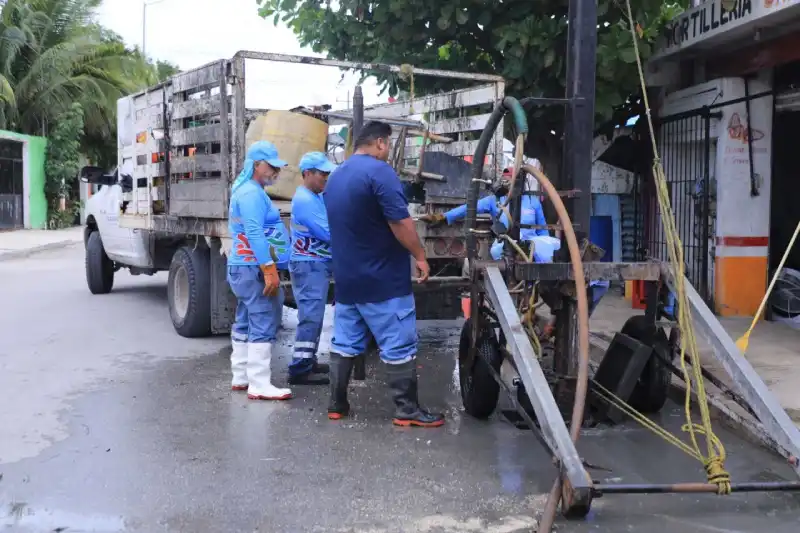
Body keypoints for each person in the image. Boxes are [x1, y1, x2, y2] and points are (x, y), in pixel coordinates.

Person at [323, 121, 444, 428]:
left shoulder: (336, 177)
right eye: (388, 145)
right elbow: (401, 224)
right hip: (383, 281)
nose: (388, 151)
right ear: (379, 143)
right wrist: (419, 255)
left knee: (345, 342)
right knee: (399, 343)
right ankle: (407, 410)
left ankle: (336, 404)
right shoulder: (380, 173)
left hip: (348, 280)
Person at [227, 141, 292, 401]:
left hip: (241, 267)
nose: (276, 171)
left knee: (245, 319)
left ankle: (241, 376)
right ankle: (259, 383)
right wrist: (268, 269)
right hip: (252, 268)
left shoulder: (244, 189)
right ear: (256, 164)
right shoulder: (252, 194)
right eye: (271, 166)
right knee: (264, 317)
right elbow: (254, 232)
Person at [420, 162, 553, 261]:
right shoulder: (494, 200)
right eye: (504, 181)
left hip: (531, 245)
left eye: (509, 180)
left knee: (550, 250)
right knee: (496, 251)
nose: (506, 183)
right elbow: (468, 208)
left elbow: (542, 229)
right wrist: (443, 217)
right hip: (506, 245)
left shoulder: (532, 200)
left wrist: (546, 245)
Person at [287, 151, 337, 386]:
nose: (325, 178)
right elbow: (328, 233)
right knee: (311, 317)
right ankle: (300, 369)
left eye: (327, 174)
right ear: (307, 174)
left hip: (314, 263)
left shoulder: (314, 195)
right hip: (309, 265)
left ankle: (308, 359)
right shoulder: (306, 200)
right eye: (322, 174)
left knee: (314, 316)